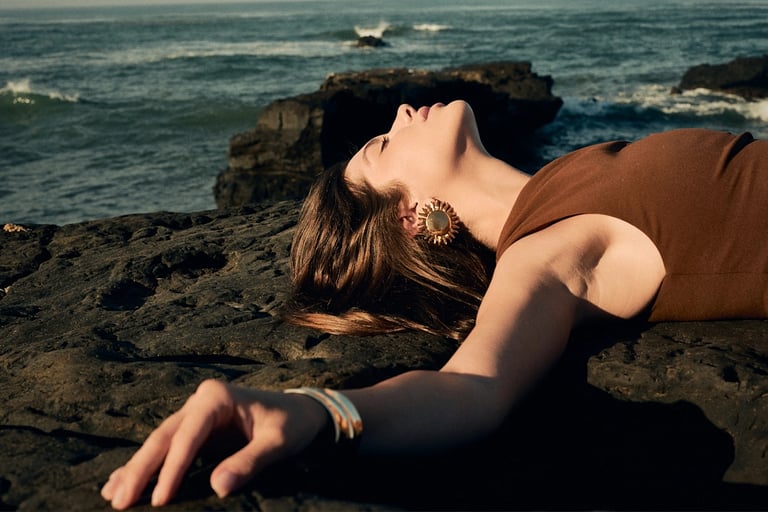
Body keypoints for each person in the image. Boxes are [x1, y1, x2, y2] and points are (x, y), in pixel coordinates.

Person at [101, 100, 768, 509]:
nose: (400, 114)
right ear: (413, 219)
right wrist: (319, 411)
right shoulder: (541, 256)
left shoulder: (563, 178)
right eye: (383, 145)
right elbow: (471, 389)